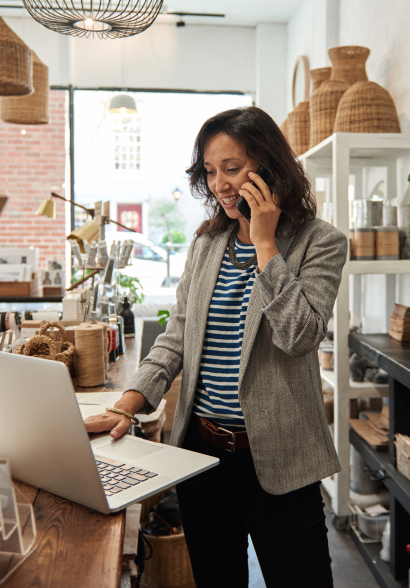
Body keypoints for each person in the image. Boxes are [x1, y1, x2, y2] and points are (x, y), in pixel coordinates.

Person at [84, 106, 346, 587]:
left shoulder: (320, 242)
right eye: (210, 171)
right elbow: (176, 337)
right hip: (202, 457)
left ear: (268, 167)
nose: (220, 184)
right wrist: (129, 402)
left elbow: (299, 335)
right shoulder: (207, 245)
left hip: (282, 460)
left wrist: (265, 245)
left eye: (232, 168)